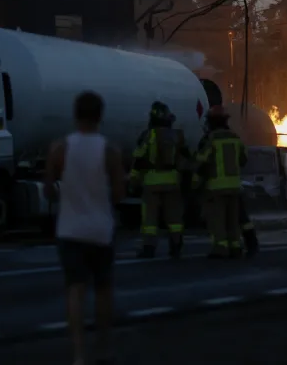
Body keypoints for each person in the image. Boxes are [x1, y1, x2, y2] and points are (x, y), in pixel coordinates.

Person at [44, 91, 125, 365]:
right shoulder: (110, 151)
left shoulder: (59, 148)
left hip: (70, 230)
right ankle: (104, 347)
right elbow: (119, 194)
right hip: (100, 229)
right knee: (103, 289)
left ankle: (79, 354)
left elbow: (48, 190)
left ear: (75, 114)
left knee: (75, 290)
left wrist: (65, 195)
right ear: (100, 116)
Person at [130, 101, 190, 259]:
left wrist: (133, 179)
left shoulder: (147, 135)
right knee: (174, 218)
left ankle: (149, 248)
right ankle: (176, 246)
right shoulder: (177, 136)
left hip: (151, 182)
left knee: (150, 219)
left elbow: (139, 158)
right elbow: (186, 159)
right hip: (172, 182)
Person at [195, 105, 247, 259]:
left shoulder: (211, 140)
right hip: (234, 187)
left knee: (217, 219)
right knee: (232, 219)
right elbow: (243, 160)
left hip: (216, 188)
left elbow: (202, 161)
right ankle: (235, 247)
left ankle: (220, 248)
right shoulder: (235, 138)